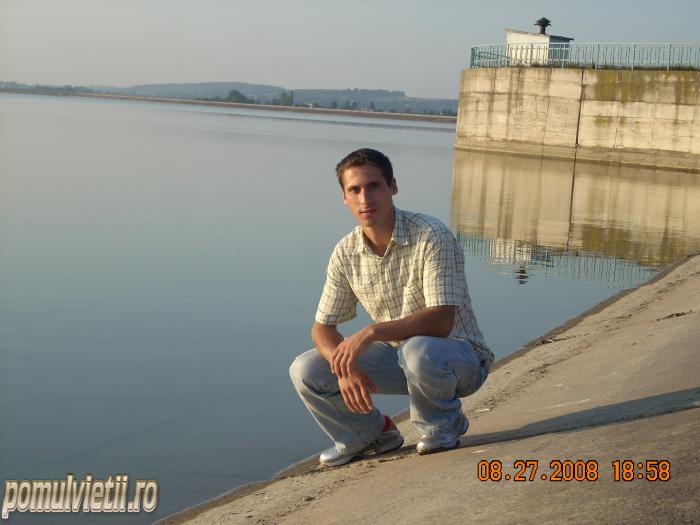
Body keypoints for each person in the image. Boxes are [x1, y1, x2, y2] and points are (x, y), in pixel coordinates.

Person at [289, 148, 493, 467]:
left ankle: (442, 425)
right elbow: (322, 328)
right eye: (355, 190)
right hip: (399, 357)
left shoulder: (431, 235)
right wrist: (344, 368)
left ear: (392, 187)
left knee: (417, 350)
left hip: (458, 358)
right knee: (307, 369)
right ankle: (369, 435)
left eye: (373, 186)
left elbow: (442, 321)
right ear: (344, 197)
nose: (365, 198)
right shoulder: (346, 252)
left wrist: (372, 331)